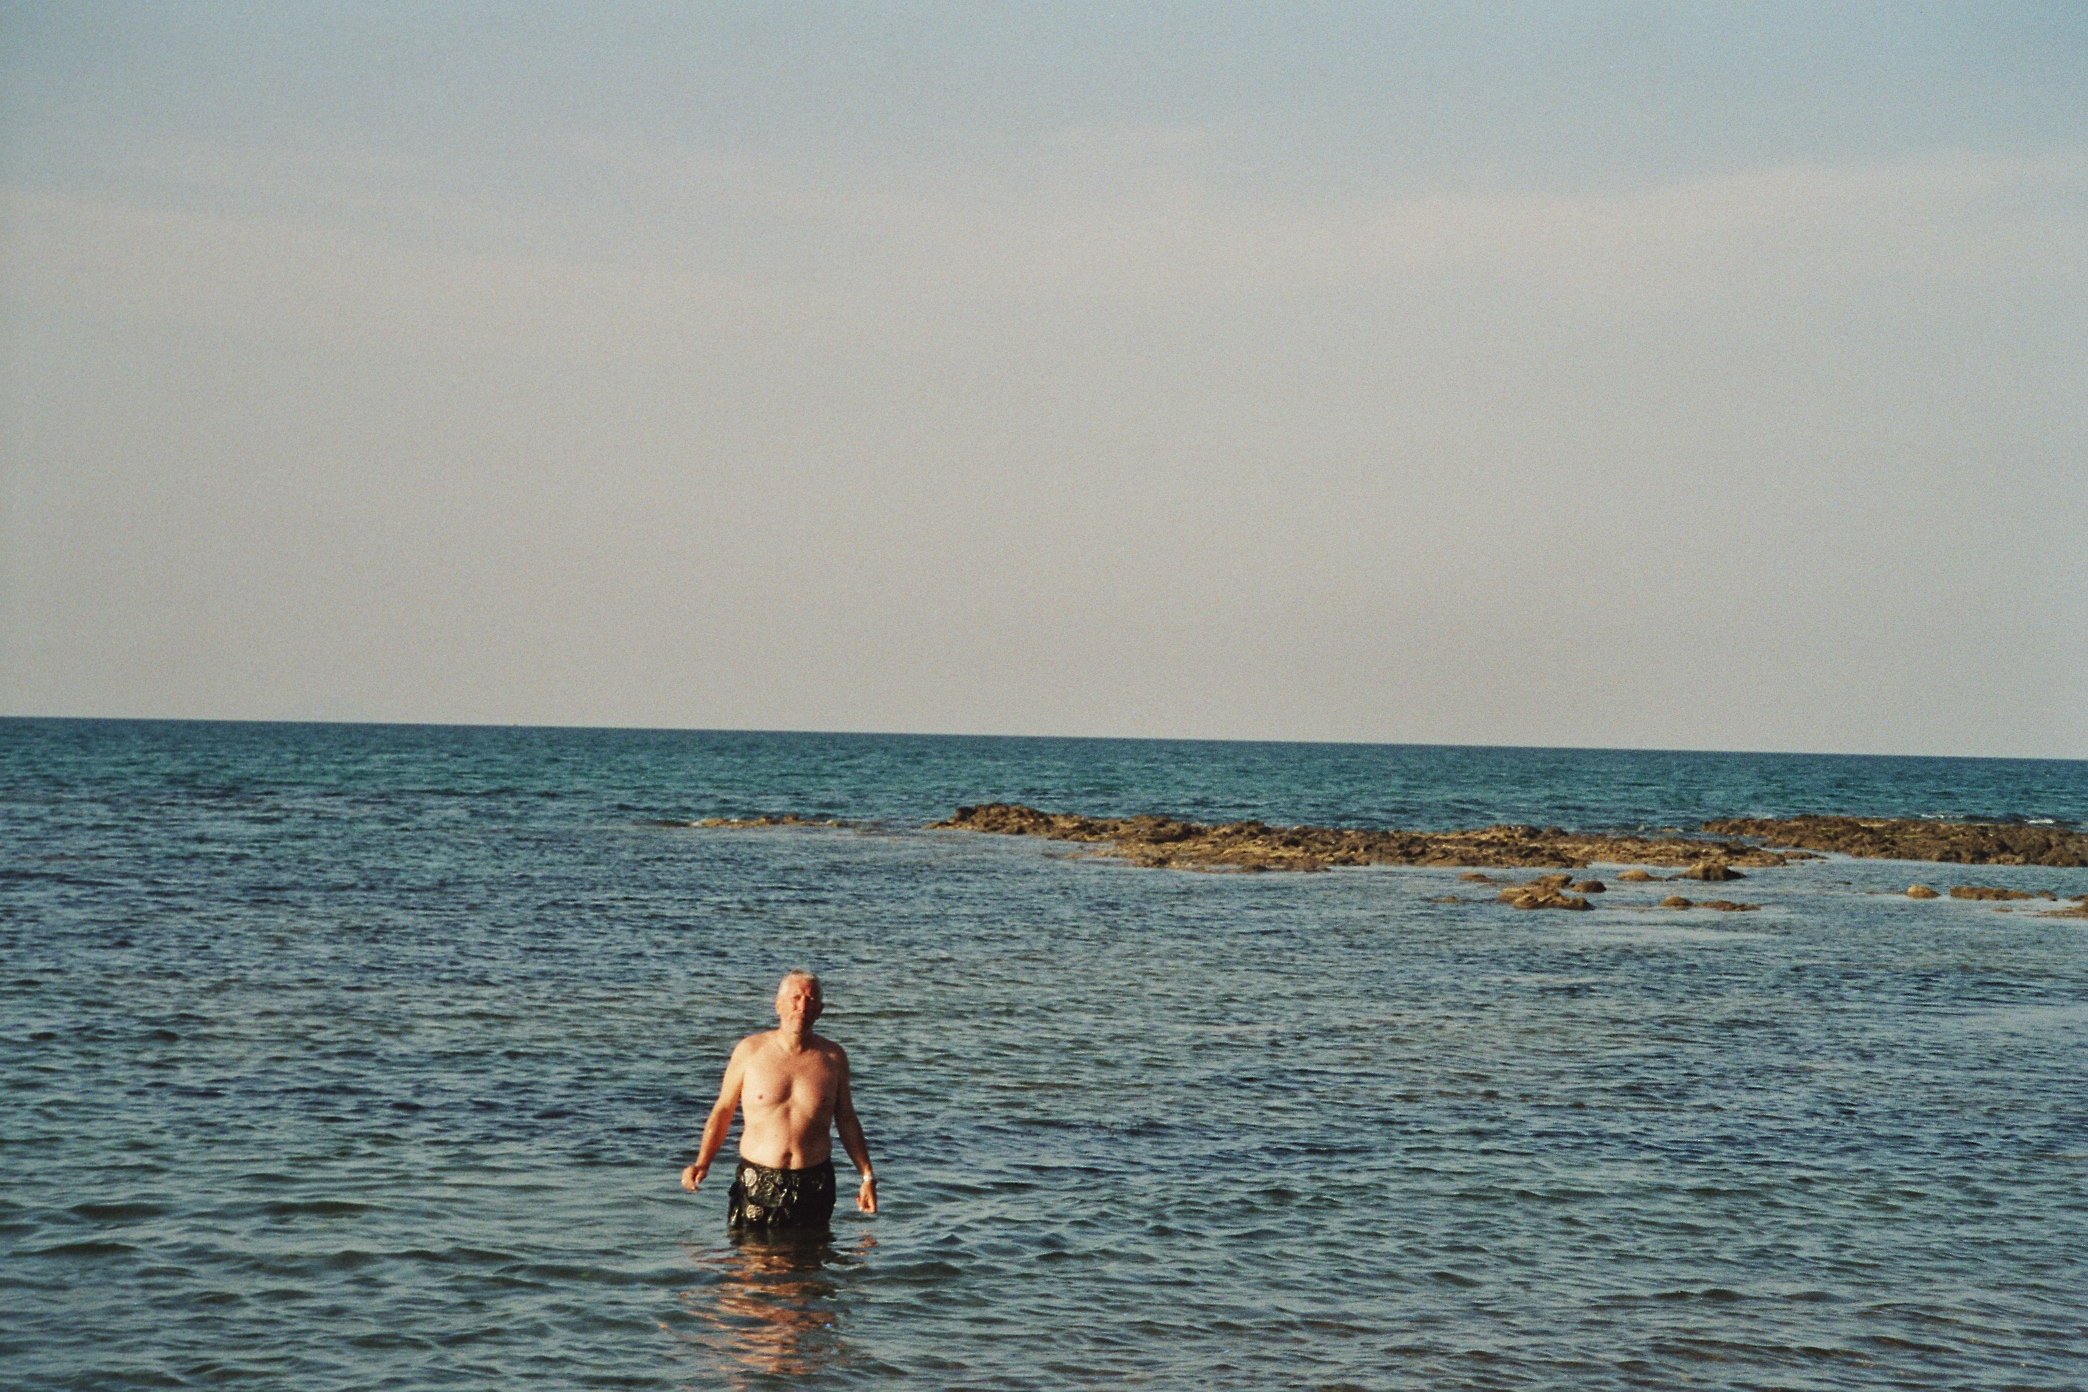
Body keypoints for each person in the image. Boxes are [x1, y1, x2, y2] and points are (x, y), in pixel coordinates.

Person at [681, 970, 876, 1231]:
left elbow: (847, 1119)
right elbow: (723, 1110)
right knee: (752, 1265)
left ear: (820, 1009)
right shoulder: (750, 1051)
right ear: (778, 1005)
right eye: (795, 998)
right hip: (757, 1179)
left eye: (810, 1000)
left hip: (814, 1181)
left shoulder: (833, 1058)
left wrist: (867, 1176)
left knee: (810, 1265)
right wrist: (702, 1162)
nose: (802, 1006)